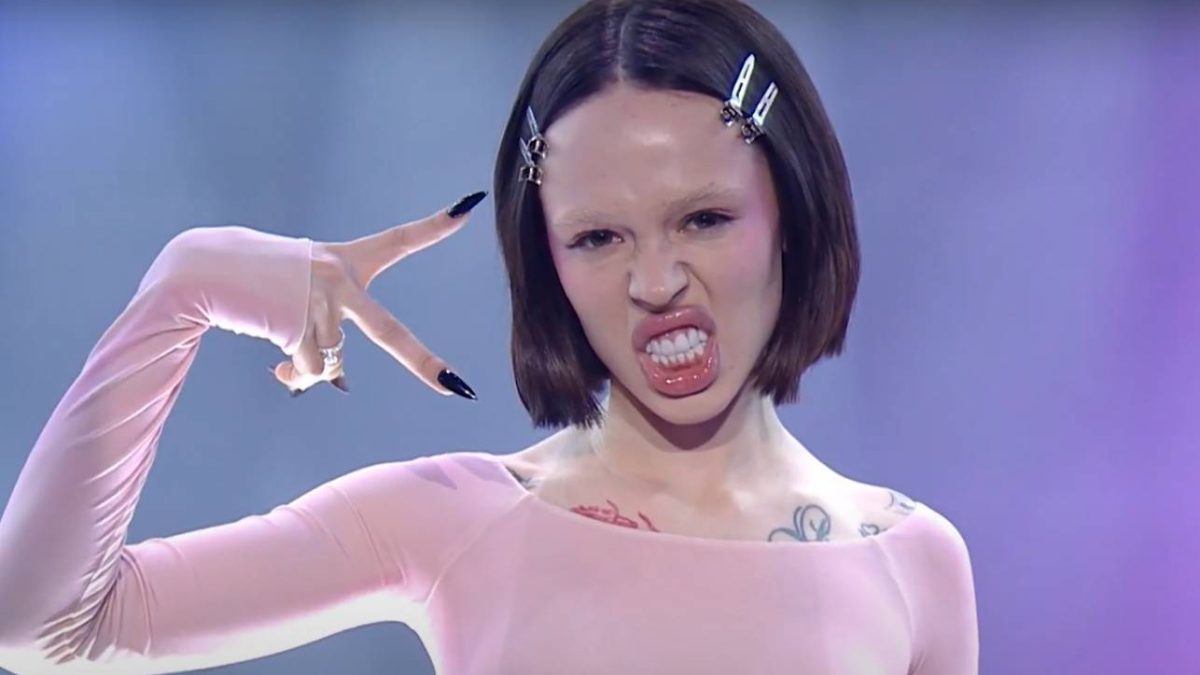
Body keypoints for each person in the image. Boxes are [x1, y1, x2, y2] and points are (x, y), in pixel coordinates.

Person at [0, 0, 979, 673]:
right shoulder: (451, 519)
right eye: (598, 237)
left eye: (704, 219)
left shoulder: (912, 559)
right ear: (545, 259)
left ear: (792, 211)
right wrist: (187, 283)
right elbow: (41, 627)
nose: (655, 283)